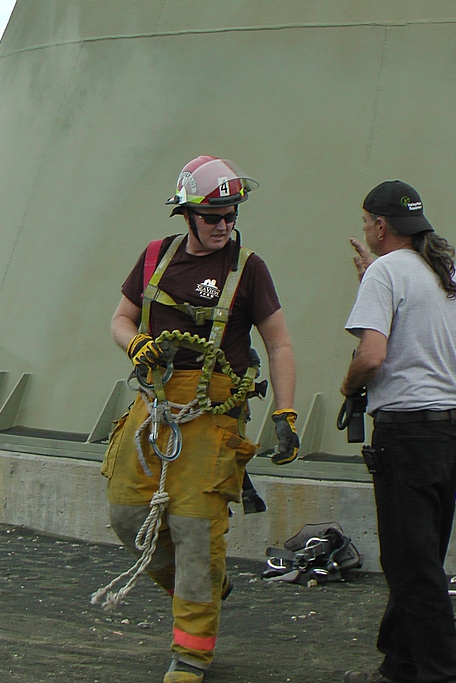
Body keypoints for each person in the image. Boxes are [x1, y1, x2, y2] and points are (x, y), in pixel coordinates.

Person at [103, 156, 298, 683]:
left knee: (193, 528)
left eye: (231, 215)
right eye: (212, 215)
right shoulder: (152, 259)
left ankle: (191, 655)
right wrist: (135, 344)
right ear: (186, 215)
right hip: (155, 404)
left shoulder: (248, 269)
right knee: (125, 514)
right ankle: (206, 586)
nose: (223, 225)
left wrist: (284, 411)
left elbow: (277, 344)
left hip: (213, 414)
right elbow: (120, 320)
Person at [338, 181, 456, 683]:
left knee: (409, 566)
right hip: (446, 432)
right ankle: (400, 663)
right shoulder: (444, 269)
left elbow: (373, 357)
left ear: (380, 226)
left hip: (406, 435)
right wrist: (378, 278)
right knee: (419, 555)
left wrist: (348, 383)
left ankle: (445, 674)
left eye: (366, 222)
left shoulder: (387, 272)